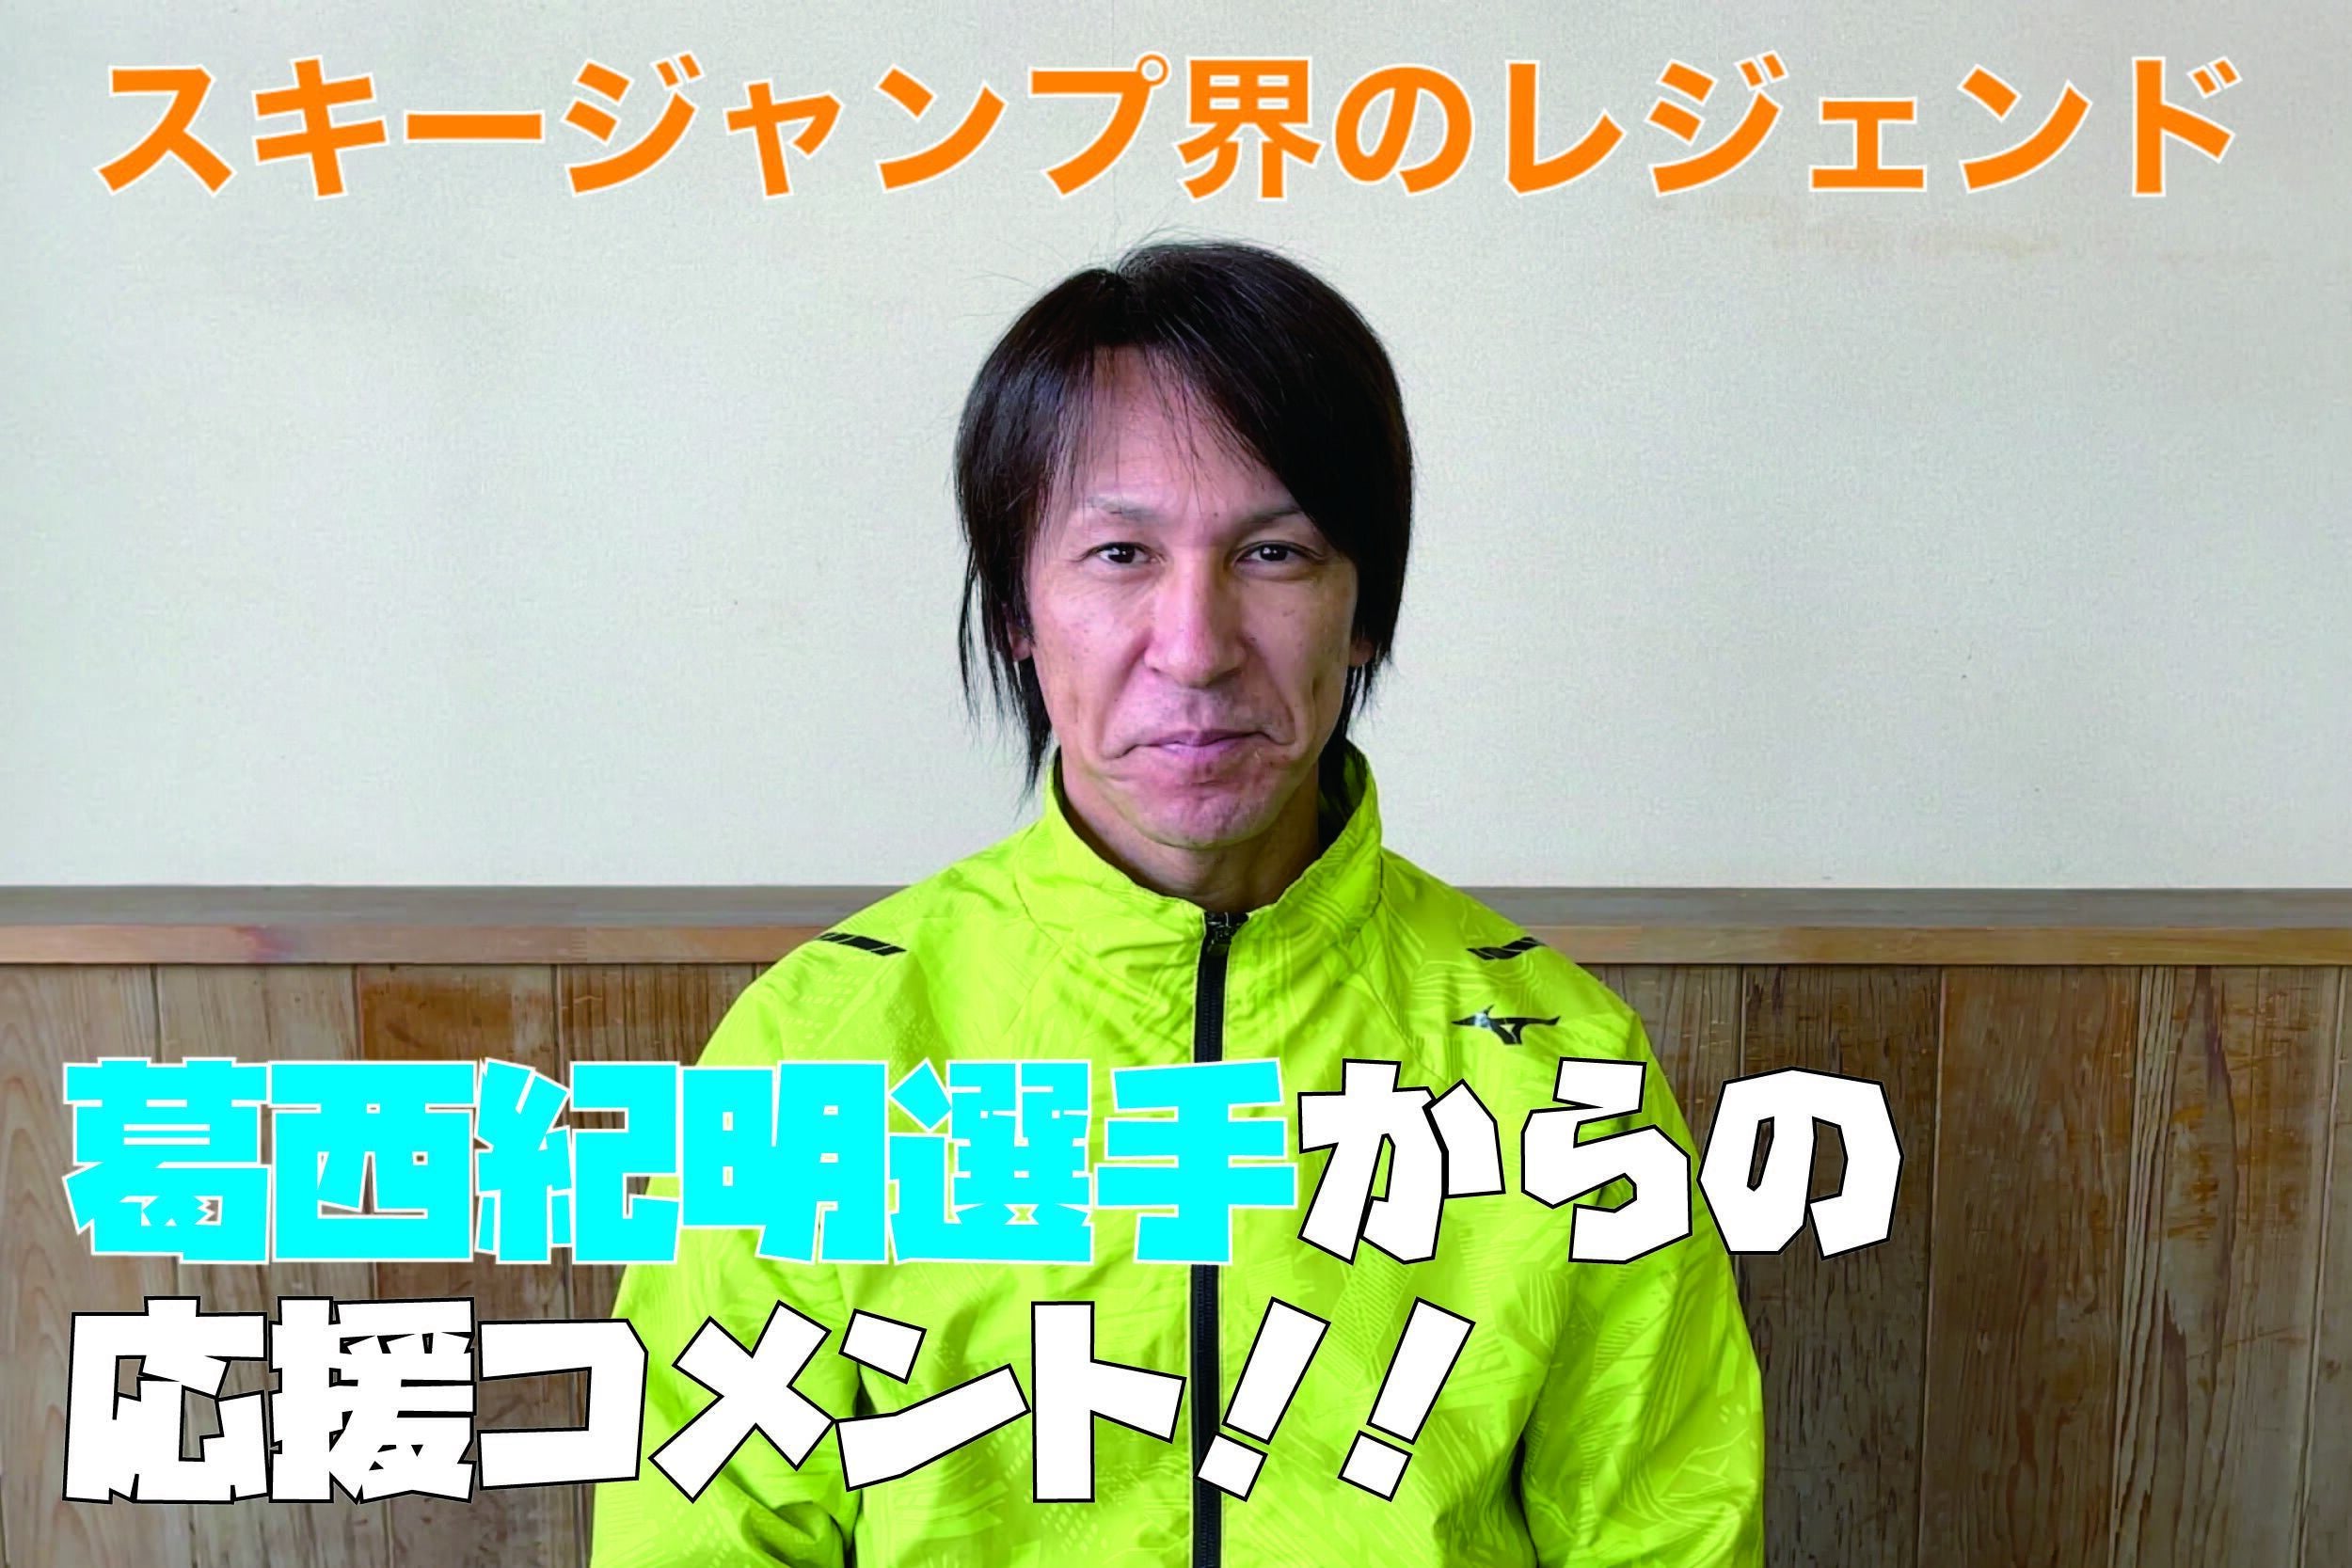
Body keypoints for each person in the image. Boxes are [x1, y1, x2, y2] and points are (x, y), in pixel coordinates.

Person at [590, 237, 1764, 1566]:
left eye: (1274, 552)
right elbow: (702, 1530)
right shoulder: (820, 1050)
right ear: (1019, 611)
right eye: (1119, 553)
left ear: (1364, 611)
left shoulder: (1558, 1063)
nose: (1196, 649)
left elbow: (1667, 1535)